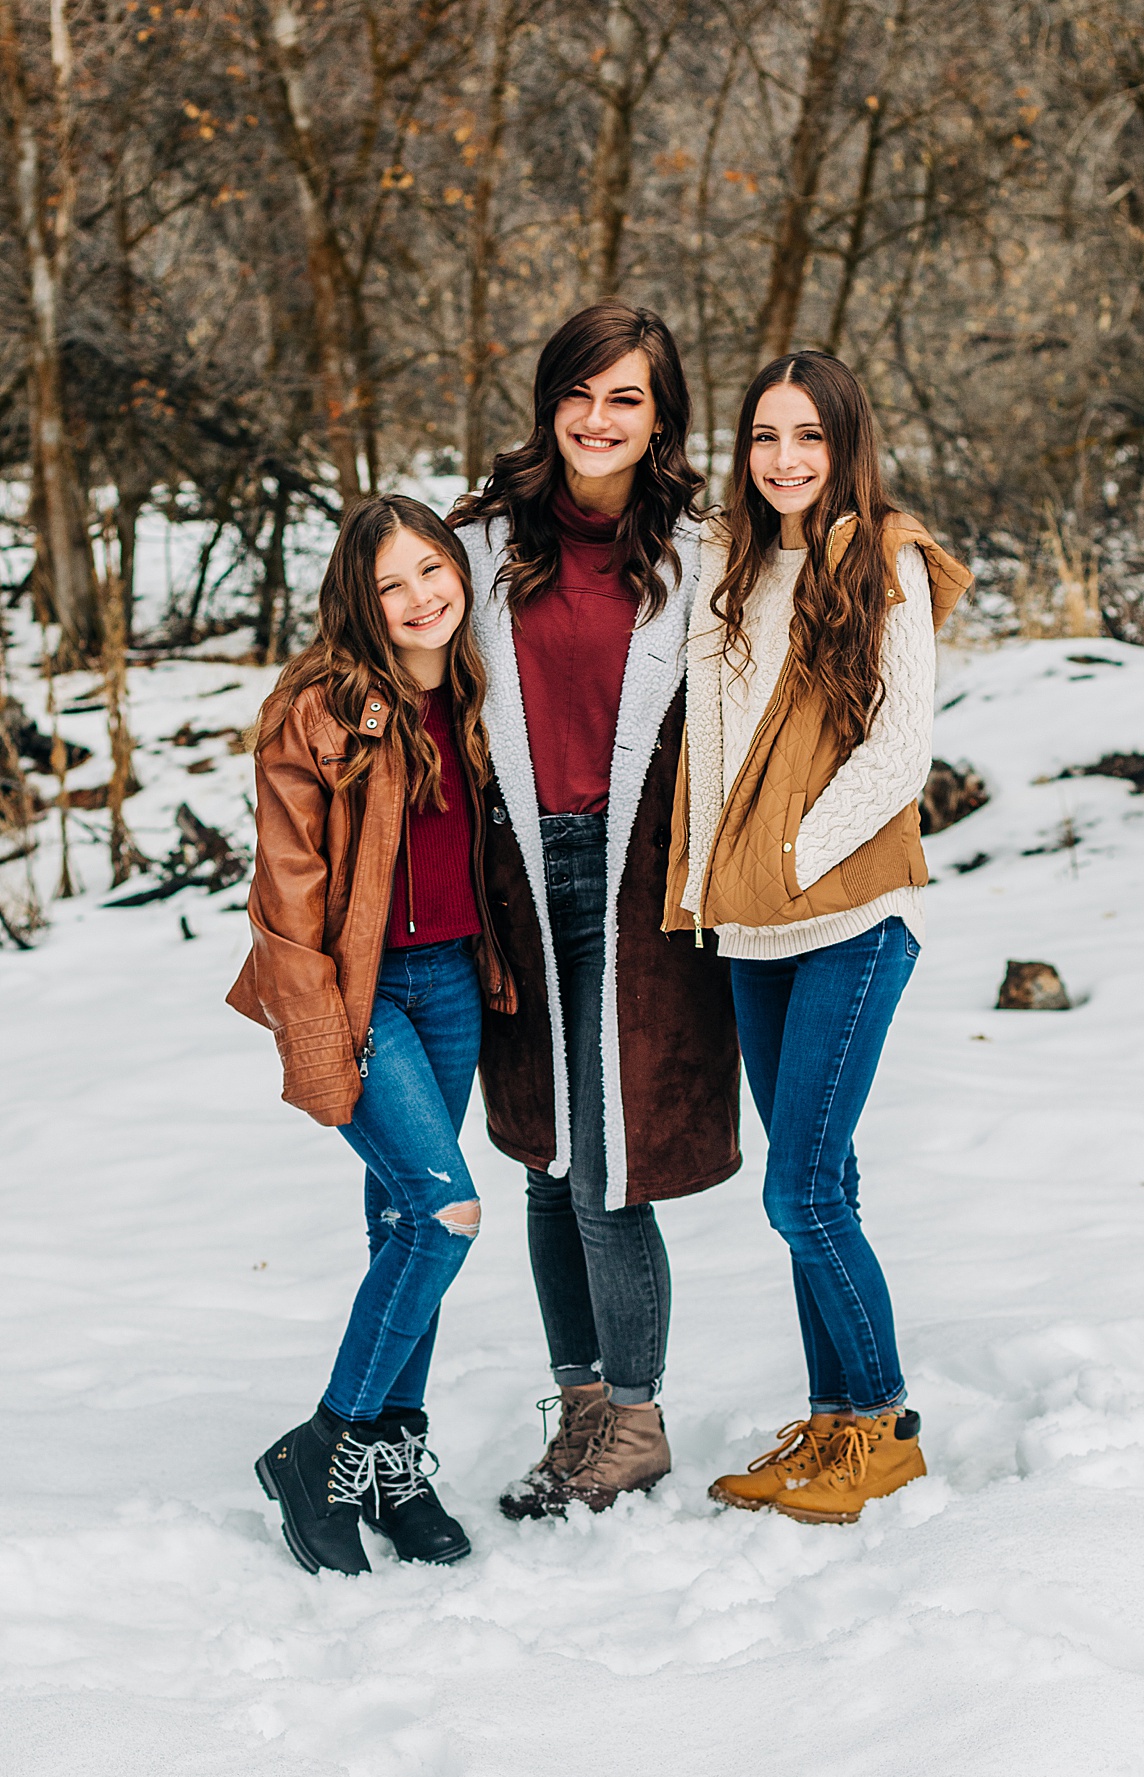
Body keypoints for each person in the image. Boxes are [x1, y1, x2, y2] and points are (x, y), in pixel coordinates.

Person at [664, 351, 972, 1524]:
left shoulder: (883, 555)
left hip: (852, 914)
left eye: (809, 437)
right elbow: (710, 735)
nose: (785, 459)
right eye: (764, 437)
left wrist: (790, 859)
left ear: (846, 445)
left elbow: (900, 749)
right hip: (748, 929)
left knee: (798, 1192)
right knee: (823, 1179)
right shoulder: (730, 568)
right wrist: (716, 878)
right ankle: (836, 1424)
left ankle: (882, 1420)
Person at [452, 302, 741, 1518]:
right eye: (579, 392)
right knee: (539, 1154)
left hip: (642, 887)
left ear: (662, 414)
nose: (598, 419)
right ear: (548, 401)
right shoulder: (476, 544)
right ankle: (578, 1410)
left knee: (609, 1169)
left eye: (627, 398)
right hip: (515, 876)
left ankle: (637, 1419)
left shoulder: (707, 553)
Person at [226, 495, 515, 1575]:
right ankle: (324, 1446)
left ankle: (394, 1459)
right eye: (391, 583)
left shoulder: (483, 690)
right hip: (362, 997)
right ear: (359, 597)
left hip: (450, 985)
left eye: (432, 570)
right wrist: (318, 1033)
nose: (419, 597)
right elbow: (288, 889)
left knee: (401, 1227)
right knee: (446, 1215)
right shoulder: (317, 710)